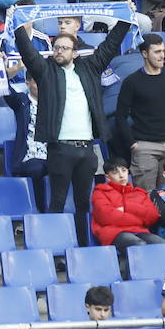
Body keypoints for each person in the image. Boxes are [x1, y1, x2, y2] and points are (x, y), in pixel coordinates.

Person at [17, 20, 131, 246]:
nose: (58, 51)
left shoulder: (89, 67)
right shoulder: (46, 70)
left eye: (64, 48)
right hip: (60, 149)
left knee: (83, 204)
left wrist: (125, 19)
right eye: (56, 47)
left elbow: (110, 45)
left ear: (75, 53)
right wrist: (18, 24)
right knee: (57, 202)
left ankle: (82, 248)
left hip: (88, 150)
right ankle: (52, 249)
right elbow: (27, 52)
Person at [114, 34, 165, 191]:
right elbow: (120, 116)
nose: (162, 55)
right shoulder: (132, 82)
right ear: (145, 54)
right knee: (145, 196)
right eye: (157, 52)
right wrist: (133, 144)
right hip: (144, 146)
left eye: (163, 51)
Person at [92, 157, 165, 249]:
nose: (121, 175)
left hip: (139, 231)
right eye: (115, 172)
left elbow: (153, 216)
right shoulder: (101, 191)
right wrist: (140, 220)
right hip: (113, 233)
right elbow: (106, 216)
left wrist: (128, 208)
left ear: (128, 172)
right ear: (107, 177)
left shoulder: (139, 193)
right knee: (139, 245)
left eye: (123, 171)